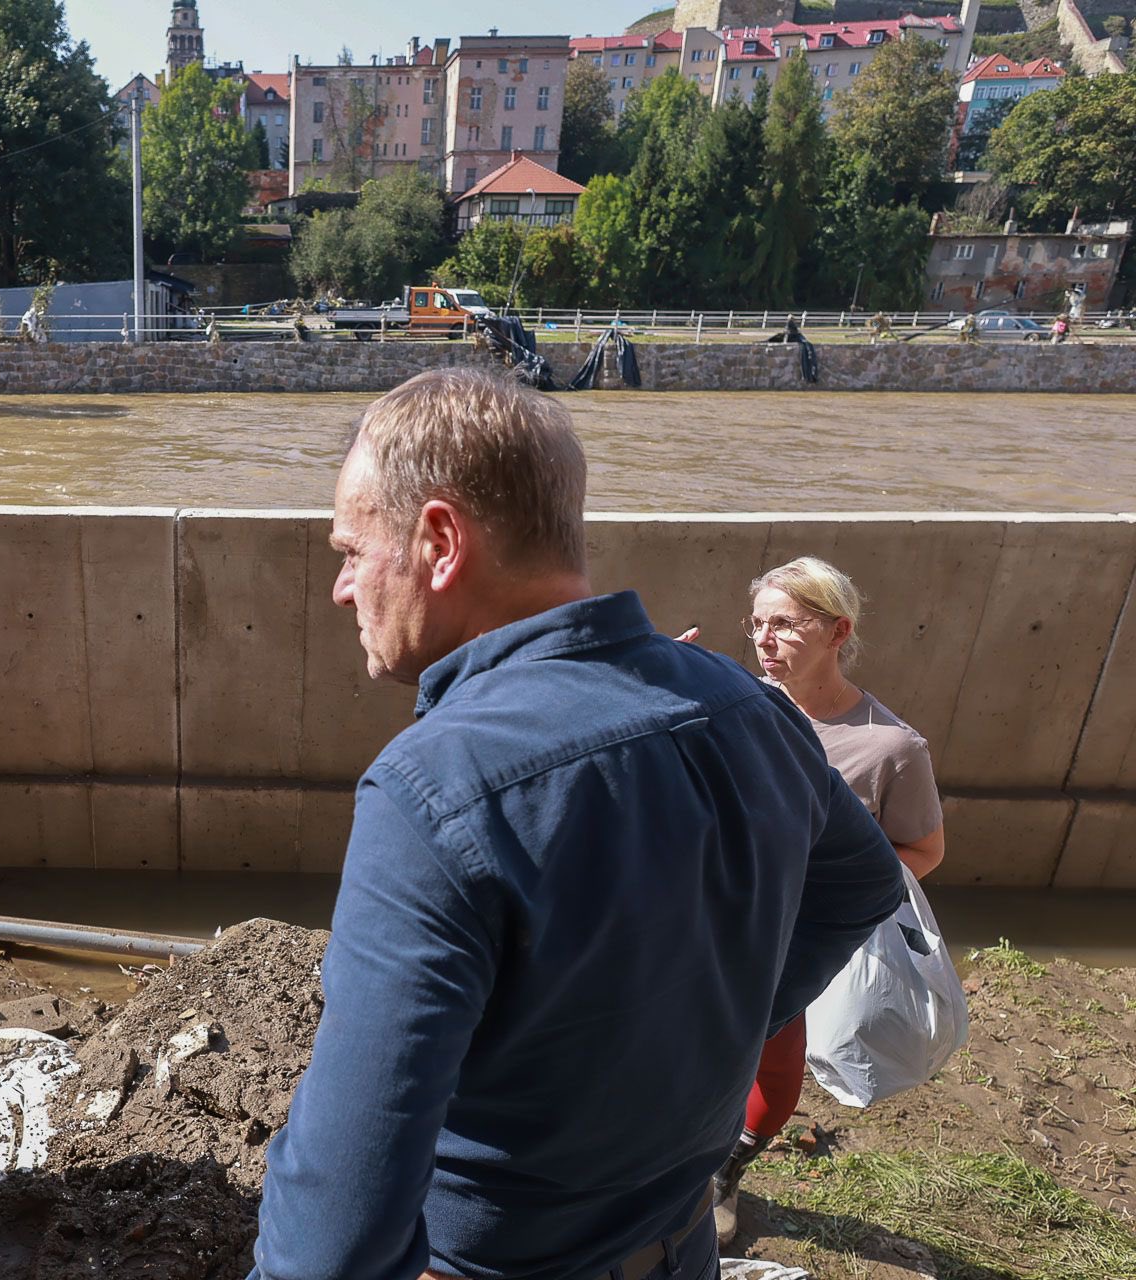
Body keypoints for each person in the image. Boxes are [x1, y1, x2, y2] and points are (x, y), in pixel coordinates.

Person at [248, 368, 905, 1280]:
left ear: (440, 541)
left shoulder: (431, 789)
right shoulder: (743, 704)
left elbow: (333, 1235)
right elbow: (864, 883)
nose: (341, 588)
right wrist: (729, 1019)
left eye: (351, 551)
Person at [713, 557, 945, 1245]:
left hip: (794, 939)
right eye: (757, 624)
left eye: (784, 623)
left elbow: (924, 852)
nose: (764, 639)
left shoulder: (890, 747)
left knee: (773, 1066)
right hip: (710, 917)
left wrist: (832, 906)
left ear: (838, 630)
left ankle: (724, 1172)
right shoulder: (733, 705)